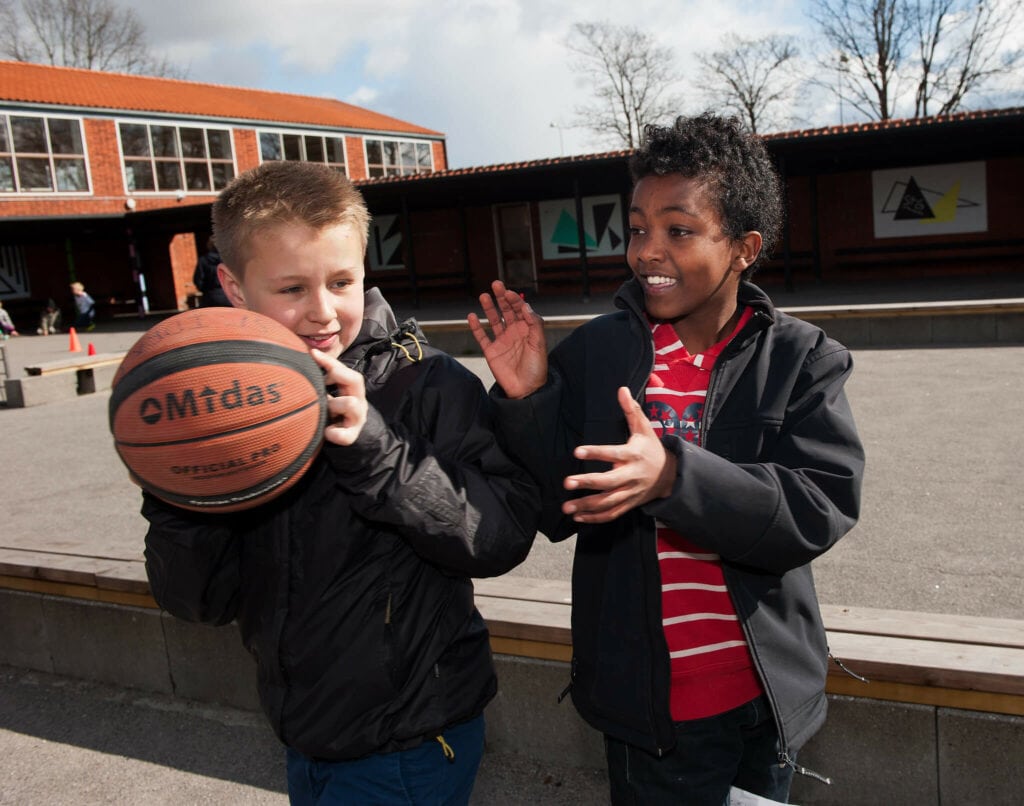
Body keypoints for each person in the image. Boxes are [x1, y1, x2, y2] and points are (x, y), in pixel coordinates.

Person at [468, 113, 865, 805]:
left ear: (743, 248)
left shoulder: (801, 359)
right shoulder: (597, 355)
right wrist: (530, 398)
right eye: (638, 227)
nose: (648, 251)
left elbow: (817, 507)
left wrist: (676, 476)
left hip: (765, 700)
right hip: (651, 710)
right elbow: (561, 511)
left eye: (679, 230)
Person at [141, 161, 539, 805]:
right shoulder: (226, 413)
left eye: (342, 281)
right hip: (305, 735)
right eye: (292, 287)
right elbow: (199, 602)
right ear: (234, 288)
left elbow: (502, 536)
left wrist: (376, 452)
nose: (322, 311)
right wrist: (178, 497)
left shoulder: (428, 386)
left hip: (411, 739)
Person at [192, 235, 230, 307]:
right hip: (230, 297)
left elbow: (197, 280)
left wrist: (205, 290)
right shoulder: (230, 260)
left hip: (210, 297)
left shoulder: (203, 260)